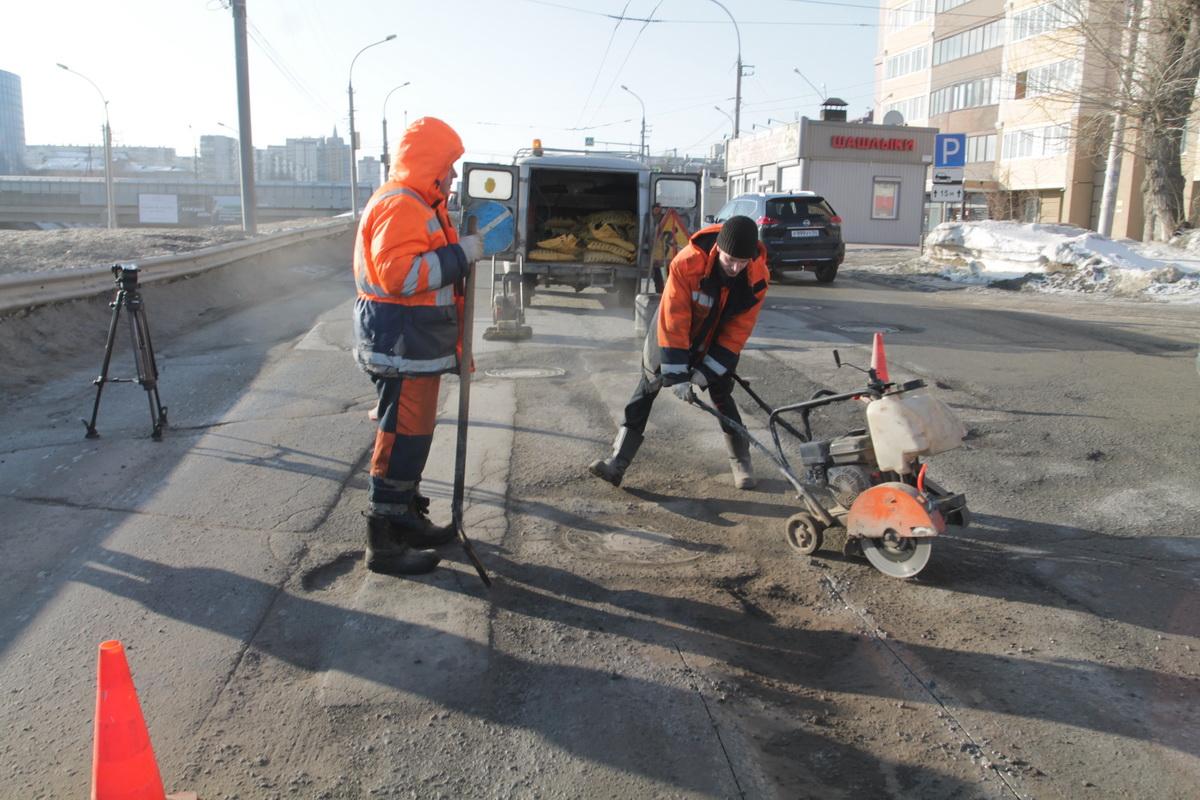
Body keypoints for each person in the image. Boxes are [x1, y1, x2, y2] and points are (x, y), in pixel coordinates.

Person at [352, 117, 484, 576]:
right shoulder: (402, 205)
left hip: (417, 344)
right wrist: (462, 255)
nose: (450, 177)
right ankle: (383, 541)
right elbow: (400, 276)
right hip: (402, 342)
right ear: (428, 164)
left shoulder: (421, 204)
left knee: (415, 436)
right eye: (447, 167)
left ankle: (404, 517)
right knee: (400, 438)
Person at [588, 215, 769, 490]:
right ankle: (617, 462)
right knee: (645, 392)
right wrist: (677, 374)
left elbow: (737, 331)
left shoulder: (756, 278)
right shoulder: (687, 263)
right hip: (668, 334)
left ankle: (741, 462)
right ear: (718, 249)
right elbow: (675, 319)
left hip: (714, 341)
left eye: (742, 262)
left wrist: (705, 372)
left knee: (722, 396)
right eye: (730, 259)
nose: (735, 268)